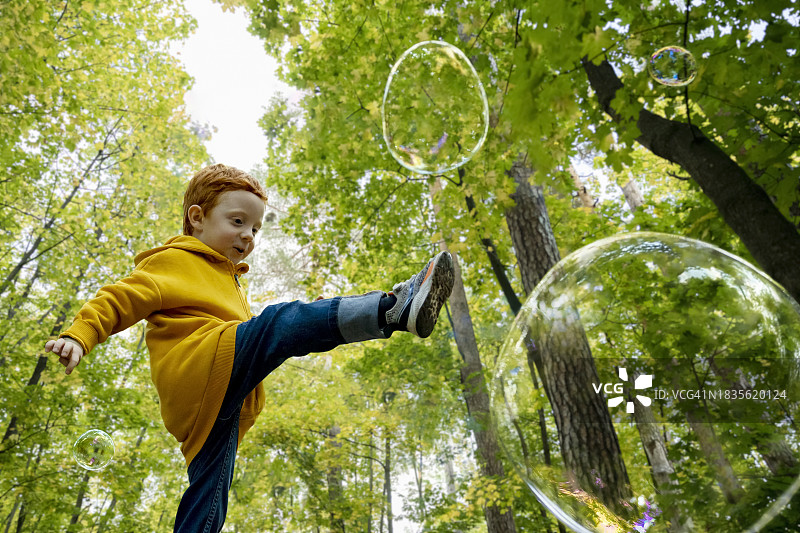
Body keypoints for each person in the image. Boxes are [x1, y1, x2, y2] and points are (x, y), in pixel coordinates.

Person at [44, 163, 455, 532]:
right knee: (280, 322)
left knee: (209, 499)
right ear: (197, 218)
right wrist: (79, 335)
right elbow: (119, 298)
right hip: (200, 362)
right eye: (238, 221)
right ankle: (391, 309)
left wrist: (300, 327)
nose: (248, 235)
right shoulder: (171, 261)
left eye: (255, 229)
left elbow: (256, 334)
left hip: (213, 405)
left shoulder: (231, 282)